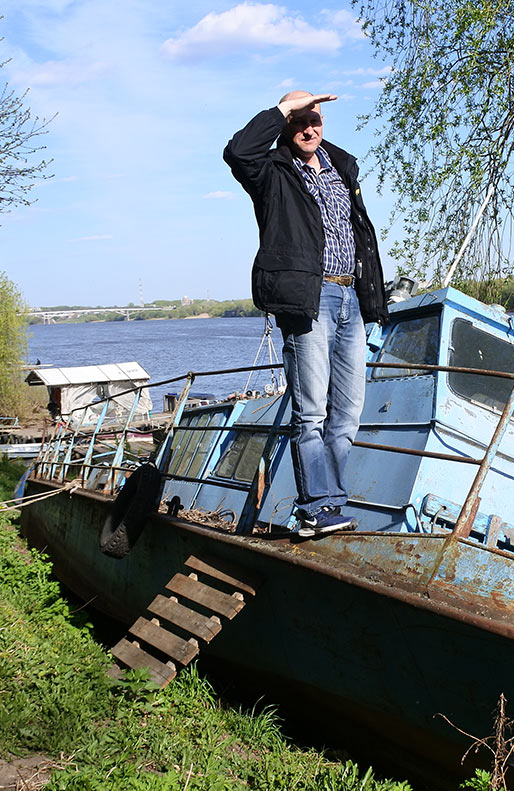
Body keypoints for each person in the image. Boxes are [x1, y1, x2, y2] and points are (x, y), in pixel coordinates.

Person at [223, 91, 387, 537]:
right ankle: (315, 506)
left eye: (314, 120)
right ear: (286, 127)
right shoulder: (272, 172)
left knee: (348, 414)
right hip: (309, 301)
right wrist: (281, 108)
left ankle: (330, 504)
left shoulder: (341, 169)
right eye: (299, 122)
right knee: (310, 412)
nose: (308, 129)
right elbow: (238, 151)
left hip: (350, 297)